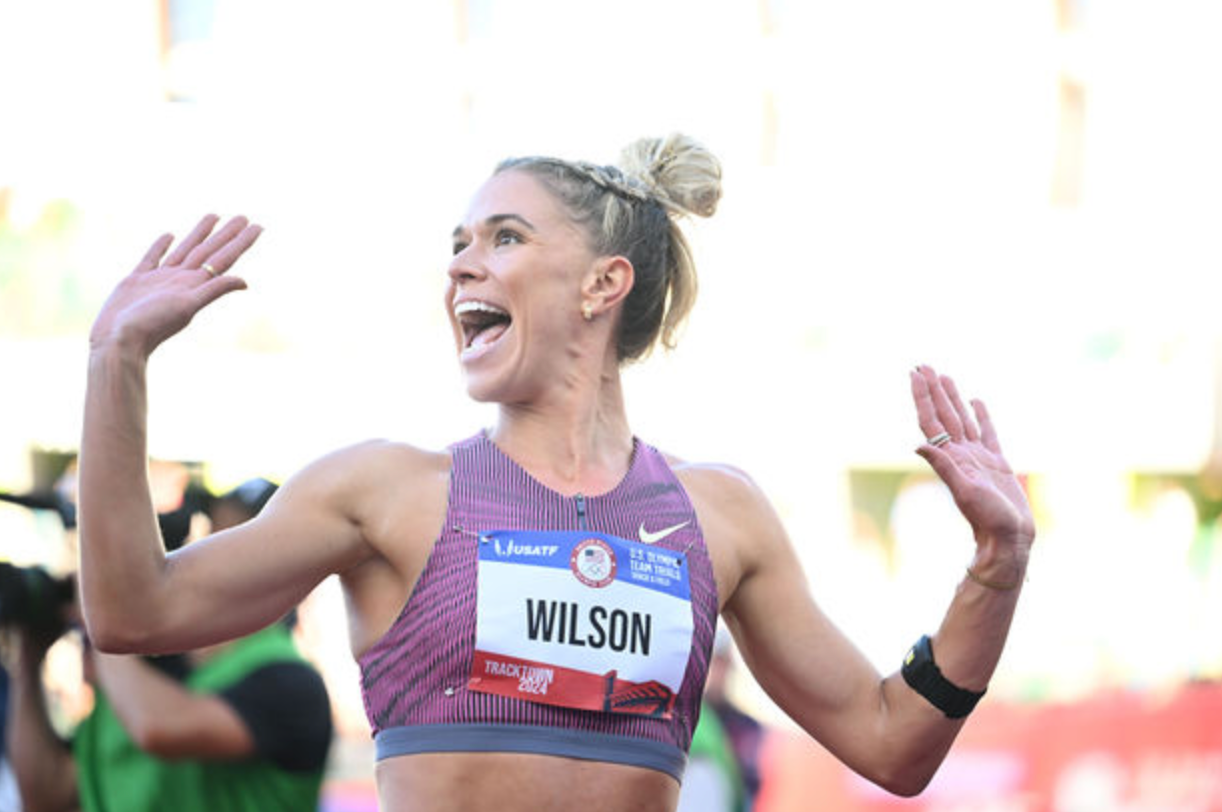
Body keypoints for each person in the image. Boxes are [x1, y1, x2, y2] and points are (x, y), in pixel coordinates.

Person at [77, 133, 1034, 812]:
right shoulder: (382, 492)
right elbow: (133, 613)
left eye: (502, 238)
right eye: (456, 247)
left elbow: (894, 743)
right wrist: (115, 361)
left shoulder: (721, 516)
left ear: (602, 284)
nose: (460, 268)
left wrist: (997, 565)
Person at [6, 478, 332, 812]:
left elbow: (157, 729)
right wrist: (30, 659)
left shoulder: (291, 682)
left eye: (239, 538)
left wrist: (101, 615)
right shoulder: (144, 673)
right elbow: (48, 797)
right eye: (214, 531)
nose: (212, 548)